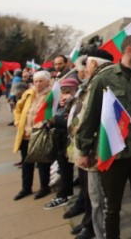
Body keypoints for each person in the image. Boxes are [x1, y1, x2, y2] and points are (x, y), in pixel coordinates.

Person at [76, 35, 131, 239]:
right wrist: (84, 150)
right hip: (113, 153)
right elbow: (90, 116)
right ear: (129, 51)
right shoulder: (104, 79)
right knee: (112, 208)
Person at [68, 49, 114, 239]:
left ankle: (98, 231)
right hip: (87, 147)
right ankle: (91, 225)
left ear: (94, 64)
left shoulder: (102, 80)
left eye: (87, 65)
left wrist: (85, 149)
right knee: (91, 194)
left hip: (95, 149)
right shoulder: (94, 80)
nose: (84, 69)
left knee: (98, 198)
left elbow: (92, 117)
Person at [12, 70, 53, 201]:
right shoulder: (29, 93)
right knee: (26, 162)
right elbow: (18, 109)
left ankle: (44, 187)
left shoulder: (52, 94)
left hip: (40, 133)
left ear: (47, 81)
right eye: (36, 81)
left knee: (42, 163)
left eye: (41, 81)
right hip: (26, 133)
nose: (38, 84)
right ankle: (26, 187)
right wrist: (18, 121)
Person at [43, 76, 80, 211]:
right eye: (63, 92)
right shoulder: (60, 105)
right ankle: (65, 193)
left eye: (69, 92)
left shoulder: (77, 106)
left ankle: (64, 195)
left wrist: (56, 120)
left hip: (70, 142)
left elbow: (72, 124)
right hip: (60, 141)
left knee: (68, 168)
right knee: (64, 168)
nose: (64, 96)